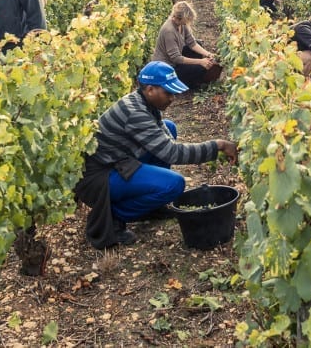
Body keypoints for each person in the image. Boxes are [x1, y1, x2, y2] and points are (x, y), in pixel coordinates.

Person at [74, 61, 238, 249]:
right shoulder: (136, 113)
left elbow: (165, 141)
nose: (173, 98)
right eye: (168, 93)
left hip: (119, 162)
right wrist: (218, 146)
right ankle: (113, 215)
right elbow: (172, 153)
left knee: (169, 127)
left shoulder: (144, 102)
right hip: (99, 179)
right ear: (150, 90)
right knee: (174, 184)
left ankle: (152, 205)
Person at [153, 1, 222, 90]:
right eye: (185, 21)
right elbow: (176, 58)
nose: (187, 23)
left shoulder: (181, 24)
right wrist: (200, 62)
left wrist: (209, 54)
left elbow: (192, 43)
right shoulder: (169, 31)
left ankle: (192, 79)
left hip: (176, 61)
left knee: (198, 45)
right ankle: (188, 83)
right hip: (168, 69)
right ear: (179, 18)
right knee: (200, 67)